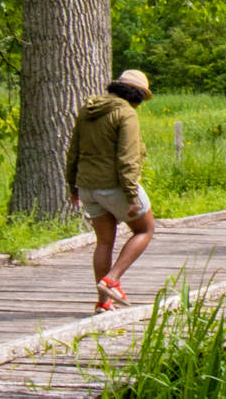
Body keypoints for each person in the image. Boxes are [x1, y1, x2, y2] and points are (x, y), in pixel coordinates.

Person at [65, 70, 156, 314]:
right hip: (114, 186)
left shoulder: (87, 110)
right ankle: (111, 280)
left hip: (87, 187)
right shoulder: (125, 113)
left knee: (104, 241)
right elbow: (128, 159)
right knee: (145, 229)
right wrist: (131, 195)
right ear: (136, 96)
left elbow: (73, 151)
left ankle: (104, 302)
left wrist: (73, 185)